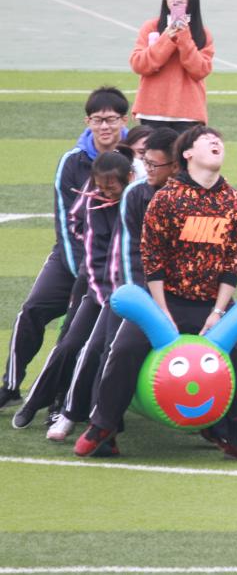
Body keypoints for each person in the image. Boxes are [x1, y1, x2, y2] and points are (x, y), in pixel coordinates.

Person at [76, 126, 237, 462]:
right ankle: (103, 427)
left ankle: (235, 436)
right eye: (207, 140)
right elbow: (153, 259)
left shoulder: (235, 202)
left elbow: (234, 262)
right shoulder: (166, 199)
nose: (216, 142)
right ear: (188, 153)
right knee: (123, 351)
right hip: (165, 299)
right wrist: (161, 310)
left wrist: (218, 311)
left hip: (212, 303)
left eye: (218, 140)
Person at [46, 128, 180, 442]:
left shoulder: (181, 196)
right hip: (125, 291)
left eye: (153, 163)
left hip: (167, 293)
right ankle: (73, 413)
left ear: (175, 165)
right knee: (94, 348)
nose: (146, 168)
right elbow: (123, 250)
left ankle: (220, 428)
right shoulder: (135, 194)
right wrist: (128, 296)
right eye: (144, 161)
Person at [0, 87, 128, 410]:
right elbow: (67, 225)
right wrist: (82, 276)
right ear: (88, 121)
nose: (105, 126)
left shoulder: (135, 158)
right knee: (32, 310)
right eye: (98, 119)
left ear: (124, 120)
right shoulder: (72, 162)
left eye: (111, 119)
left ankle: (64, 398)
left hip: (119, 264)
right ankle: (11, 385)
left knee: (77, 328)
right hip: (73, 258)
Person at [12, 148, 135, 431]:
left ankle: (70, 412)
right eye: (100, 187)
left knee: (94, 350)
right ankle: (34, 401)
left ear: (128, 179)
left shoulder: (135, 201)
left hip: (122, 294)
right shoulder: (91, 200)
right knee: (68, 344)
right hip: (96, 289)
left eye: (112, 188)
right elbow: (76, 225)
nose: (105, 193)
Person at [130, 0, 214, 133]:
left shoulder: (202, 34)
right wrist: (167, 36)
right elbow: (139, 65)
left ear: (193, 1)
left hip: (188, 115)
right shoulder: (151, 27)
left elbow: (200, 70)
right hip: (152, 112)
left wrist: (184, 35)